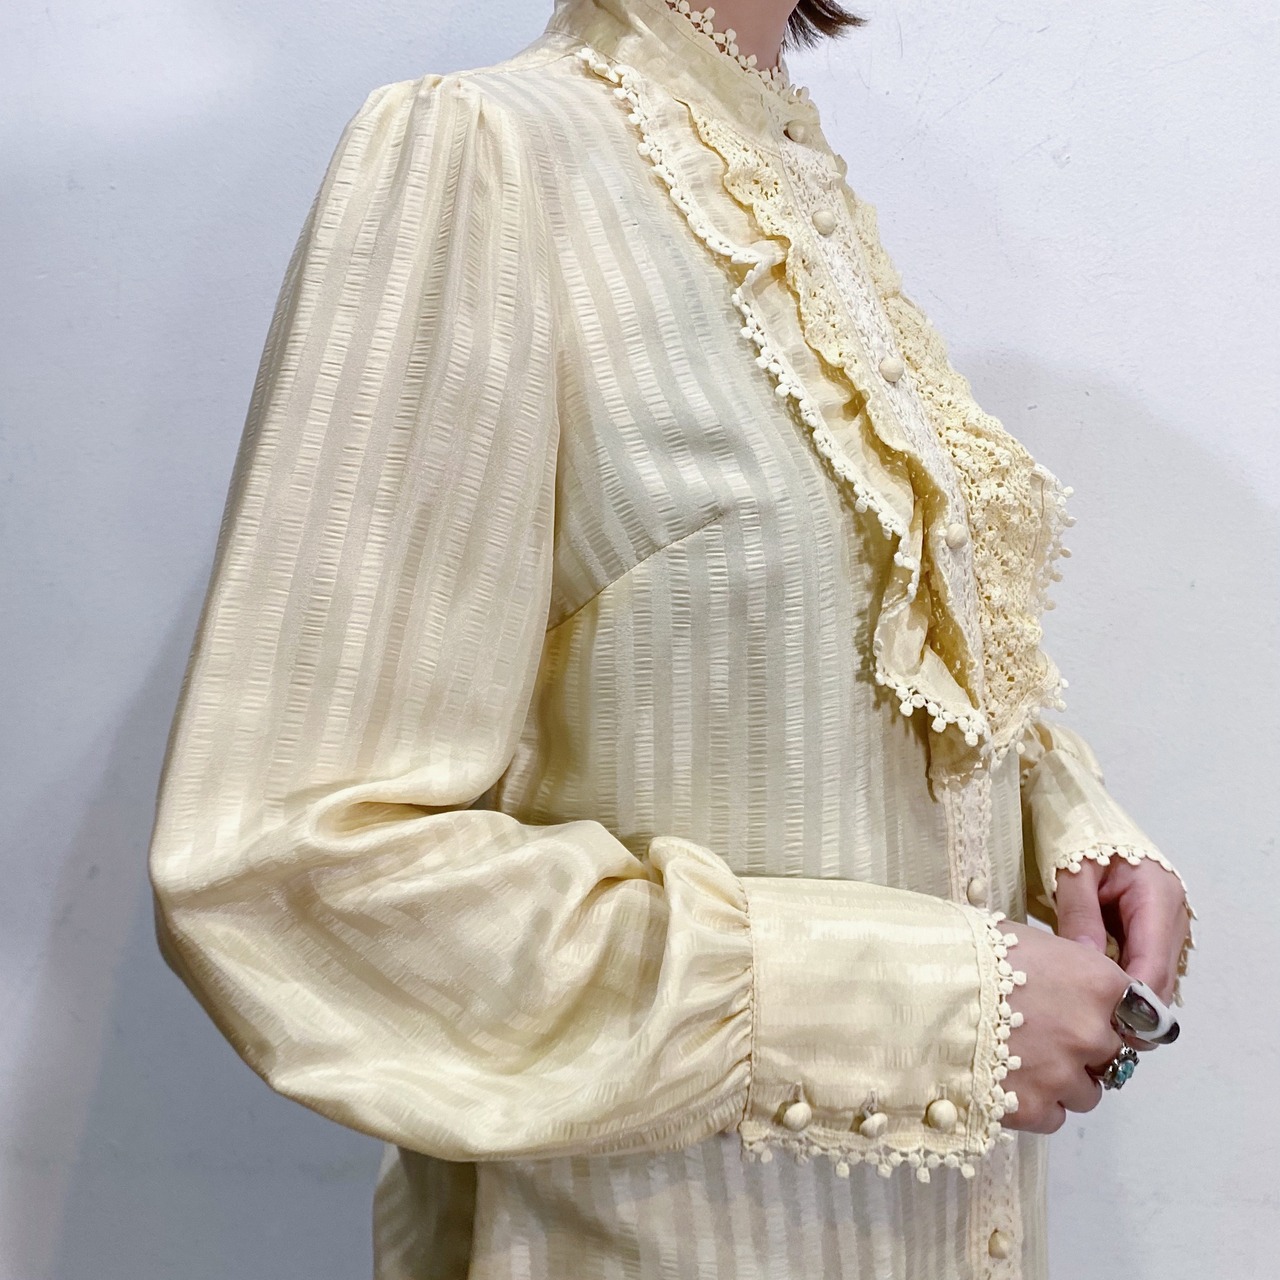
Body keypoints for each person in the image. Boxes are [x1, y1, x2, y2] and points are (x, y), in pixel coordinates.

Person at [146, 1, 1195, 1276]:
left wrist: (1066, 828)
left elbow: (824, 672)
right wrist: (922, 1012)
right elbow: (288, 869)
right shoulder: (488, 158)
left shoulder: (786, 183)